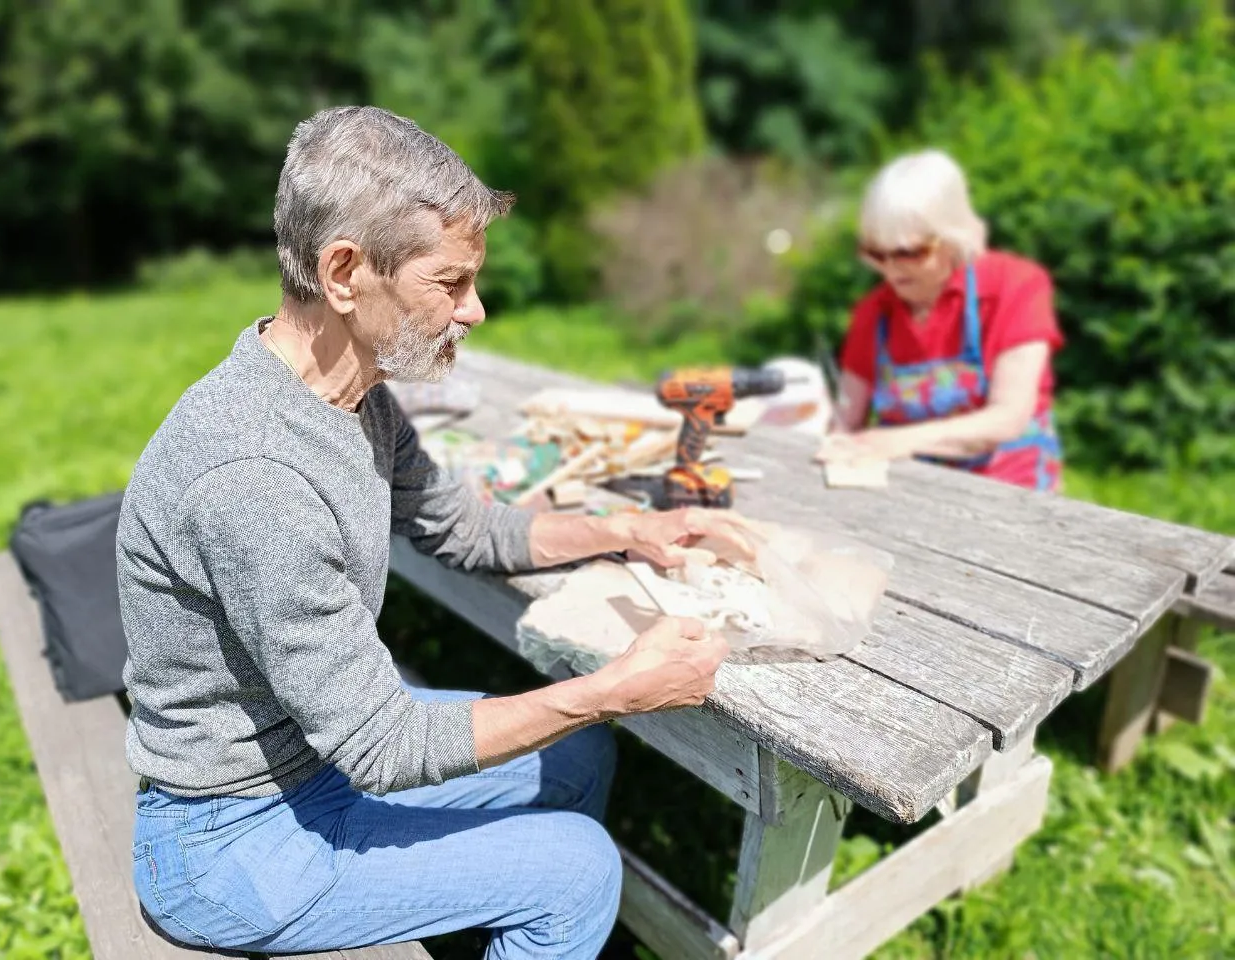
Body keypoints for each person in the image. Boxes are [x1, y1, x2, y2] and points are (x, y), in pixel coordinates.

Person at [118, 105, 752, 959]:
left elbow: (460, 525)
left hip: (311, 761)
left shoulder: (353, 394)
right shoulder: (256, 476)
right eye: (450, 283)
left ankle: (503, 916)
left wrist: (633, 528)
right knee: (580, 869)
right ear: (343, 272)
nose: (476, 310)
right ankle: (540, 911)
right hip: (231, 841)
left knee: (580, 760)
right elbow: (382, 746)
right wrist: (612, 688)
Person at [817, 149, 1064, 491]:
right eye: (877, 253)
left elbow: (1007, 418)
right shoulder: (872, 315)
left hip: (1010, 493)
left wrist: (899, 441)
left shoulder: (1017, 287)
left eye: (909, 252)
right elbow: (845, 423)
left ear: (952, 237)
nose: (891, 269)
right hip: (909, 495)